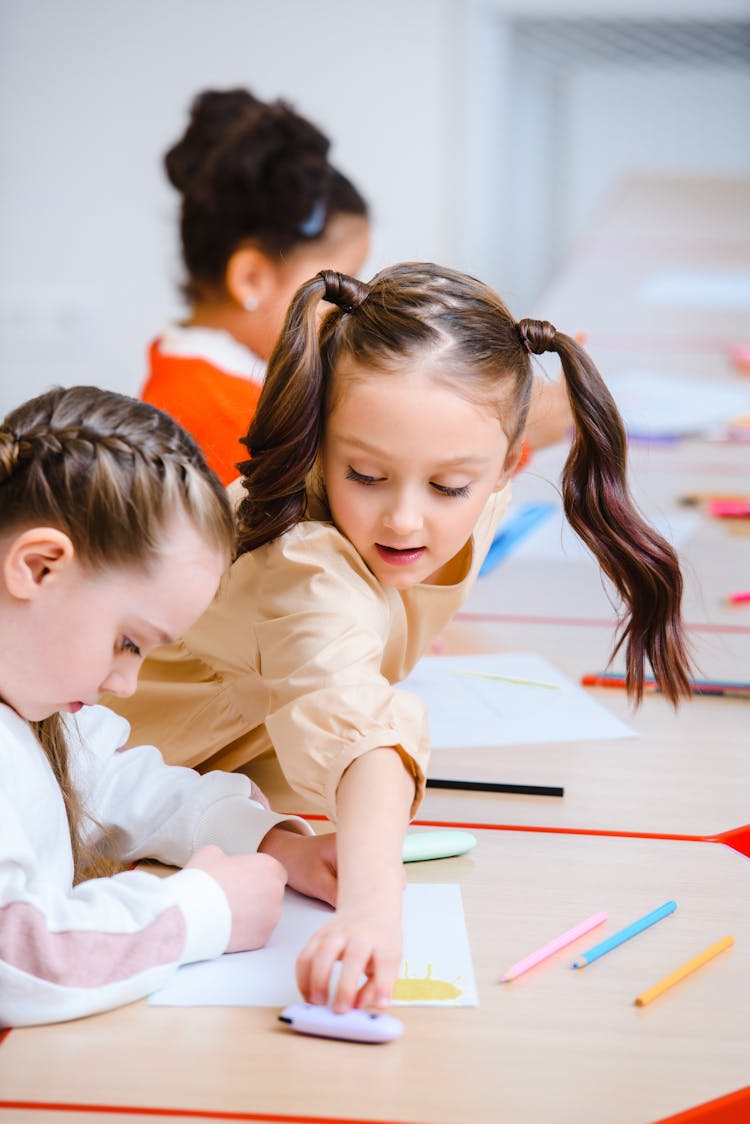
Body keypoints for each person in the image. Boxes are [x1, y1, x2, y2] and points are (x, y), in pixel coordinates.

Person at [112, 262, 692, 1016]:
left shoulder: (461, 452)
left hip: (213, 803)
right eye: (366, 474)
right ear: (321, 444)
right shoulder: (304, 564)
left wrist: (542, 417)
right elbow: (361, 735)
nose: (405, 521)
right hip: (114, 804)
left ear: (506, 462)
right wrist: (373, 910)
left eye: (450, 487)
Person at [0, 386, 337, 1028]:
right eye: (128, 642)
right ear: (39, 567)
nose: (126, 682)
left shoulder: (34, 701)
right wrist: (201, 912)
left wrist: (271, 842)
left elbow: (116, 781)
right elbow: (18, 962)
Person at [141, 87, 371, 485]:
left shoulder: (188, 370)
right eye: (337, 290)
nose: (355, 306)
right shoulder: (235, 423)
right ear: (251, 279)